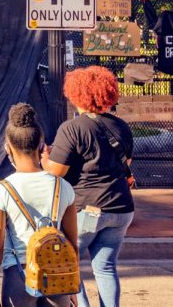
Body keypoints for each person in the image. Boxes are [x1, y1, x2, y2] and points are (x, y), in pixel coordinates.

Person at [44, 66, 135, 307]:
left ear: (76, 93)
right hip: (122, 207)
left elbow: (55, 172)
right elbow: (127, 162)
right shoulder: (122, 126)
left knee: (67, 263)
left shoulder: (72, 128)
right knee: (105, 267)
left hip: (88, 209)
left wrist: (44, 160)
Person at [0, 103, 78, 307]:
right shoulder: (63, 186)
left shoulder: (1, 190)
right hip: (58, 274)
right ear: (41, 146)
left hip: (19, 274)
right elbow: (72, 242)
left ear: (7, 148)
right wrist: (73, 285)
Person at [135, 0, 173, 75]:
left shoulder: (166, 17)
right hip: (166, 64)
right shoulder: (166, 17)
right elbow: (153, 22)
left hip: (166, 65)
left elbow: (152, 21)